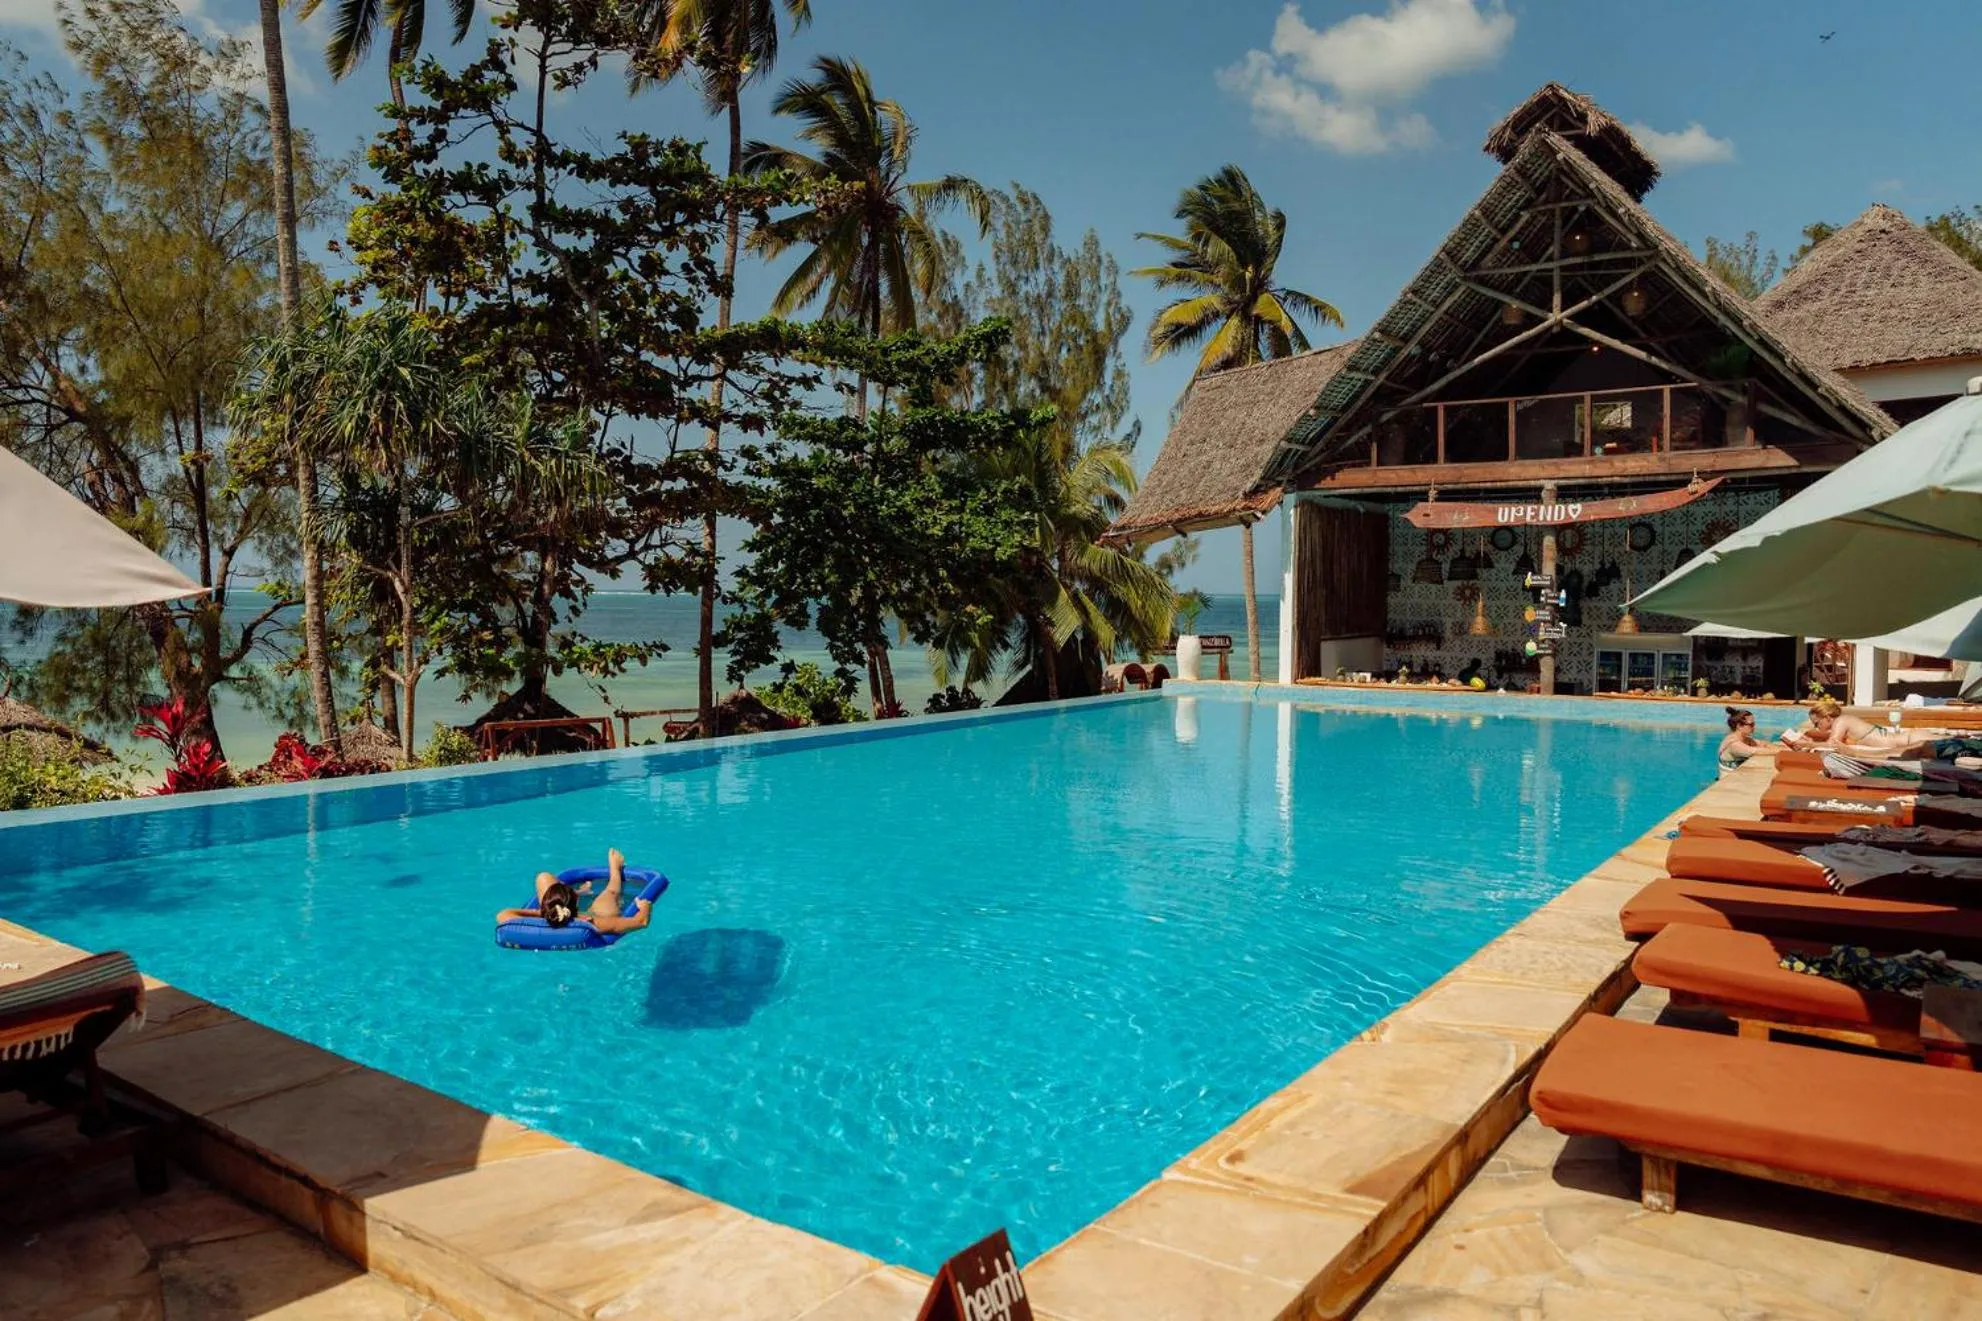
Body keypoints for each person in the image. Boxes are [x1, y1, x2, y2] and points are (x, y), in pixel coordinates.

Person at [495, 848, 654, 937]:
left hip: (554, 914)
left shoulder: (539, 921)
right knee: (611, 892)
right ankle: (615, 869)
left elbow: (503, 914)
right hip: (596, 915)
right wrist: (645, 907)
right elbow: (641, 922)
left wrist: (543, 914)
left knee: (543, 877)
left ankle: (579, 891)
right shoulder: (592, 923)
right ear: (575, 903)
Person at [1718, 706, 1765, 774]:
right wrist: (1783, 751)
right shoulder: (1734, 744)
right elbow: (1759, 751)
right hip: (1730, 783)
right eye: (1751, 724)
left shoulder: (1745, 739)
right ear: (1739, 726)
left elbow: (1764, 743)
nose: (1754, 727)